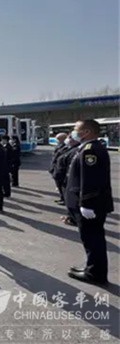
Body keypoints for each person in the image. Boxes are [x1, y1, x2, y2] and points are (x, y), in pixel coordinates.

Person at [66, 120, 114, 285]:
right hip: (91, 203)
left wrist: (87, 203)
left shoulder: (90, 150)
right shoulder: (89, 147)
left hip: (91, 204)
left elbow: (90, 180)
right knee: (92, 239)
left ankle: (95, 274)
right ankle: (92, 268)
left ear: (86, 132)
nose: (73, 132)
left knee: (93, 240)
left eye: (76, 129)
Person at [54, 135, 80, 225]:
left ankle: (73, 219)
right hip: (63, 178)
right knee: (68, 199)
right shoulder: (68, 148)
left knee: (72, 200)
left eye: (70, 138)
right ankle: (71, 216)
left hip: (68, 178)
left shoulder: (76, 150)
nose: (68, 140)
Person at [49, 132, 68, 202]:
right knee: (58, 185)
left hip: (60, 168)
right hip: (55, 167)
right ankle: (62, 198)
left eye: (58, 139)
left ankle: (64, 199)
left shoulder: (65, 146)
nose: (57, 140)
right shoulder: (59, 145)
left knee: (62, 185)